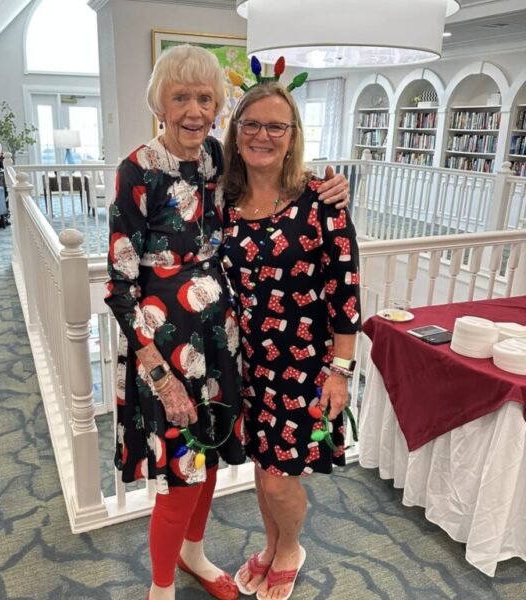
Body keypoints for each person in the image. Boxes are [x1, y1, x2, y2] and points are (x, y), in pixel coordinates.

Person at [105, 45, 351, 600]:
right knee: (181, 473)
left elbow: (279, 177)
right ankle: (160, 588)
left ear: (218, 107)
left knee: (209, 457)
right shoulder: (136, 171)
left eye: (205, 98)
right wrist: (160, 377)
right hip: (164, 349)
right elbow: (120, 286)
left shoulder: (218, 161)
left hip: (223, 344)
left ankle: (194, 554)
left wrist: (329, 186)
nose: (194, 110)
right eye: (181, 97)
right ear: (159, 103)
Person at [221, 79, 361, 600]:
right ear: (235, 134)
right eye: (251, 124)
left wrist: (341, 371)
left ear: (292, 134)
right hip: (247, 364)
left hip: (303, 368)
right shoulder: (225, 203)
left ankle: (291, 548)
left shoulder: (323, 202)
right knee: (262, 465)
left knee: (281, 476)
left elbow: (347, 292)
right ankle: (273, 543)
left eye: (276, 125)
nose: (262, 135)